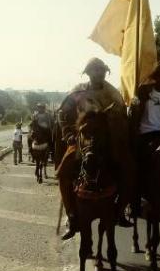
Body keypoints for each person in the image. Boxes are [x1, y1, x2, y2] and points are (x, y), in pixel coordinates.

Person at [56, 57, 136, 240]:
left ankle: (120, 210)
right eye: (94, 70)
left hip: (109, 141)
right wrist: (68, 134)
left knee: (129, 168)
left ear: (105, 72)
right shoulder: (77, 92)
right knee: (63, 172)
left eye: (101, 70)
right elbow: (62, 113)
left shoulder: (114, 94)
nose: (98, 74)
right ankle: (72, 216)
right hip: (83, 140)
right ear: (88, 73)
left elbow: (122, 117)